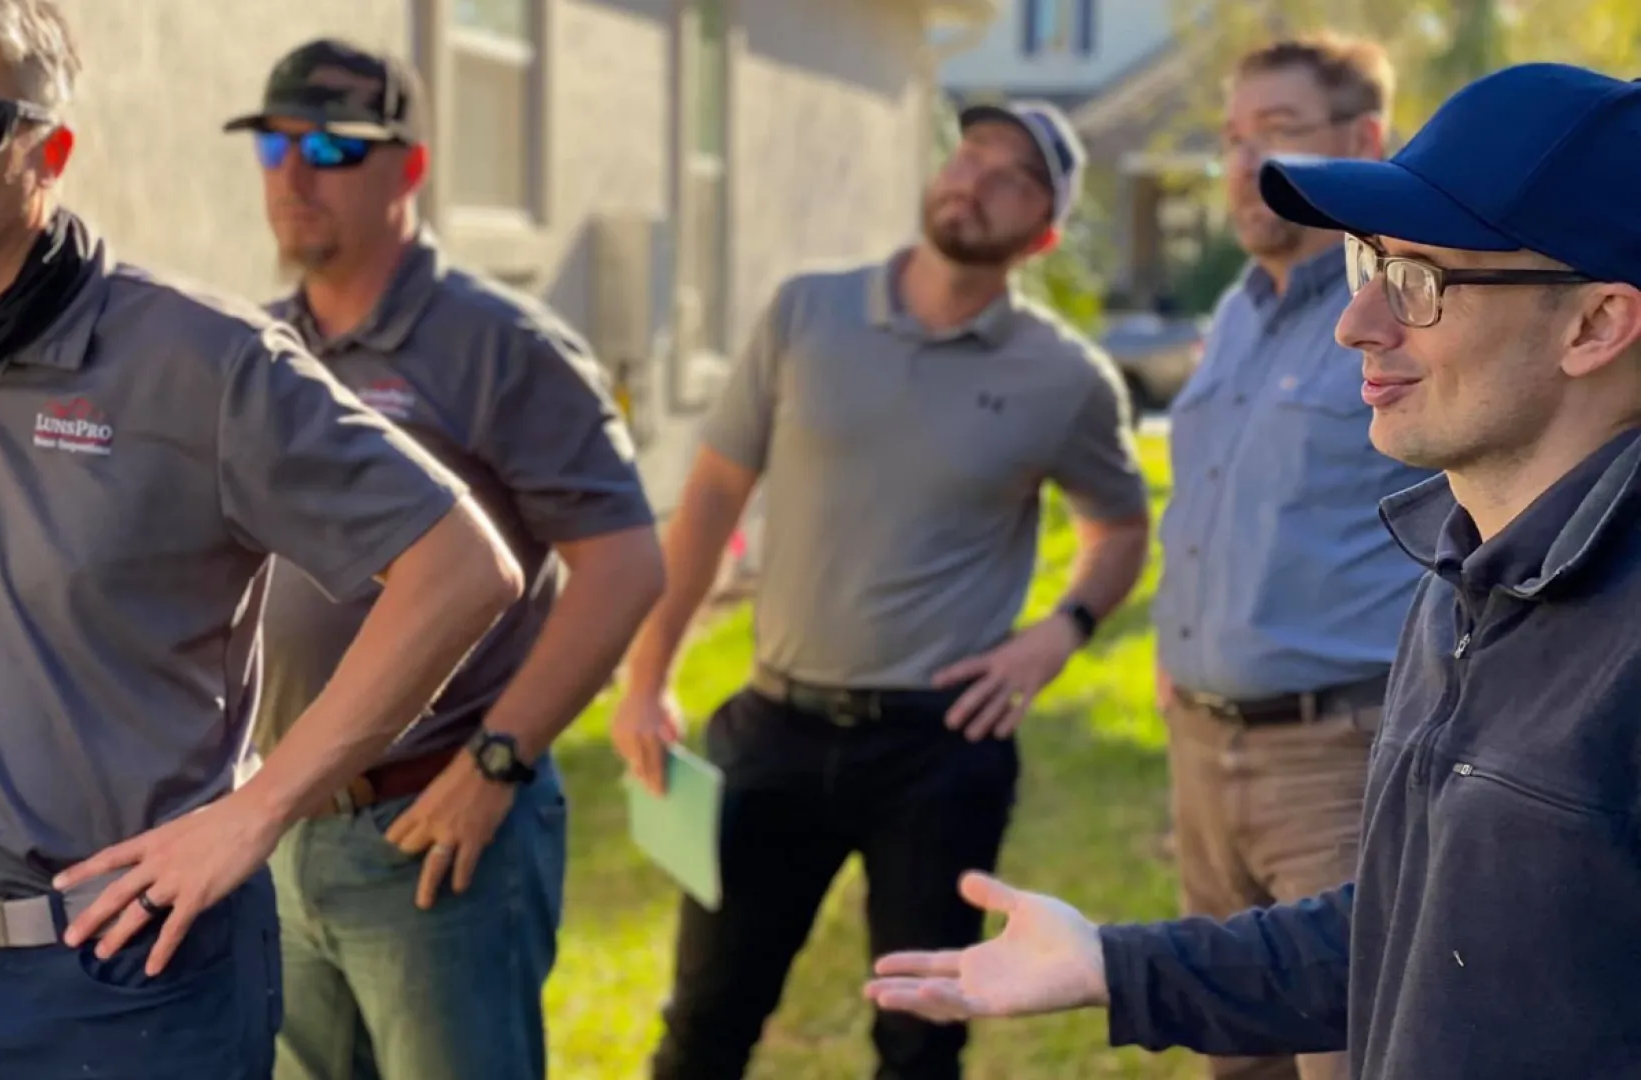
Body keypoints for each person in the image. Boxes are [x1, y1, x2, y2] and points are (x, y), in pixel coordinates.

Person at [0, 3, 524, 1078]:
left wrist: (259, 810)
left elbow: (464, 566)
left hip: (142, 975)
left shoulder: (204, 362)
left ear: (47, 150)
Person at [865, 61, 1641, 1080]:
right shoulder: (1459, 581)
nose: (1358, 324)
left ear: (1596, 325)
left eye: (1421, 282)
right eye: (1371, 266)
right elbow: (1415, 929)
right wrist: (1113, 963)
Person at [613, 99, 1154, 1080]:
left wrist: (1061, 630)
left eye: (1012, 175)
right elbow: (708, 500)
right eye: (971, 153)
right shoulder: (806, 313)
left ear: (1044, 232)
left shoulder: (1065, 378)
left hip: (939, 753)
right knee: (703, 1025)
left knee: (920, 1040)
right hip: (772, 731)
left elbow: (1119, 527)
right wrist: (648, 675)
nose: (975, 177)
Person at [217, 38, 665, 1080]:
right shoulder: (267, 346)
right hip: (285, 822)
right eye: (275, 144)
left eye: (332, 146)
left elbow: (625, 566)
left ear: (408, 170)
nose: (294, 173)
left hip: (433, 828)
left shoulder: (501, 346)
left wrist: (495, 763)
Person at [1147, 34, 1434, 1080]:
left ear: (1363, 142)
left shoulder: (1411, 313)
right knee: (1237, 1052)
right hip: (1201, 754)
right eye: (1230, 138)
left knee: (1346, 1057)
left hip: (1338, 757)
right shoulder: (1234, 314)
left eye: (1275, 133)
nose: (1240, 164)